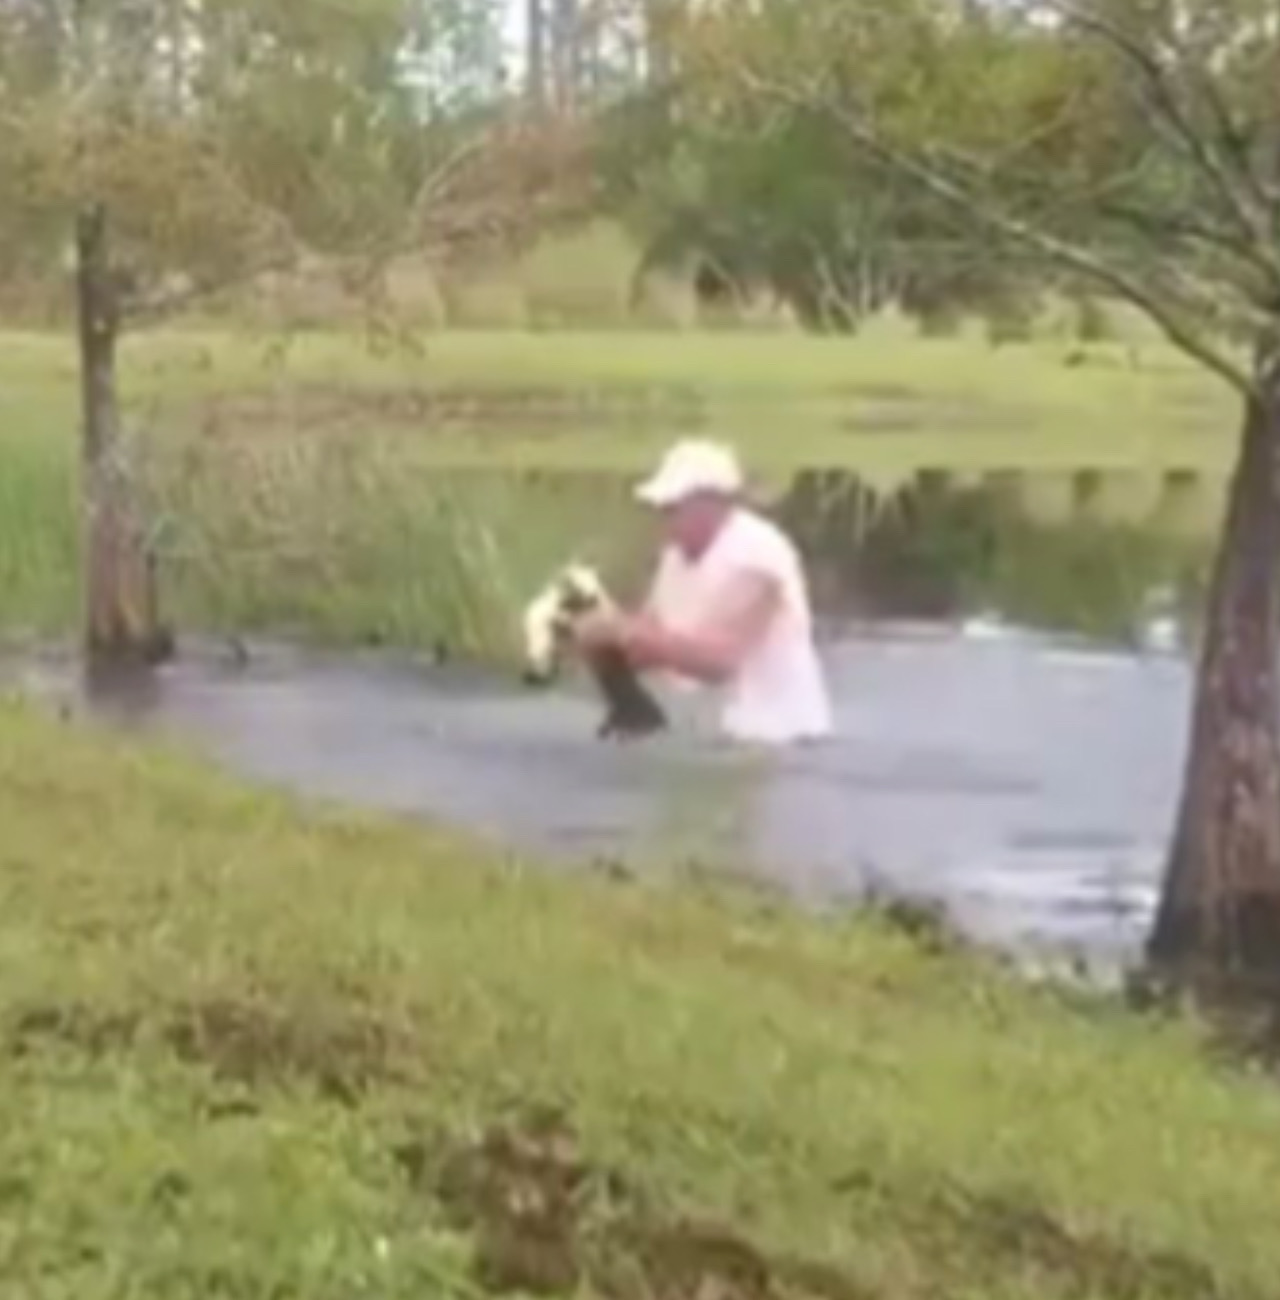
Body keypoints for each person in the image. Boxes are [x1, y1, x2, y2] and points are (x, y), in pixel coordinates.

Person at [572, 439, 833, 745]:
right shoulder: (676, 558)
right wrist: (601, 637)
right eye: (662, 508)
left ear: (712, 503)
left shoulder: (758, 557)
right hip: (712, 737)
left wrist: (631, 633)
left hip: (783, 744)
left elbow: (723, 659)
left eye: (673, 508)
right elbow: (653, 640)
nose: (663, 518)